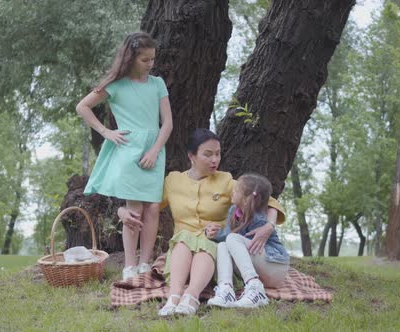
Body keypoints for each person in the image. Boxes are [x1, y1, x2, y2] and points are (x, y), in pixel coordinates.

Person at [117, 129, 286, 316]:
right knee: (183, 239)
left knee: (205, 245)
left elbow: (267, 200)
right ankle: (174, 297)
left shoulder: (226, 181)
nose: (215, 159)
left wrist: (268, 226)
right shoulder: (173, 180)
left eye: (218, 153)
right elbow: (149, 205)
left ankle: (191, 296)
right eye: (208, 154)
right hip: (181, 255)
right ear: (192, 156)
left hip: (213, 253)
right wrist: (121, 210)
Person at [76, 32, 173, 280]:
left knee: (152, 208)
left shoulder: (157, 83)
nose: (150, 64)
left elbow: (168, 123)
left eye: (152, 59)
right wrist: (106, 131)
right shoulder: (115, 86)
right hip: (129, 149)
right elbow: (82, 107)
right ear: (130, 58)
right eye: (145, 60)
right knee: (134, 210)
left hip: (154, 149)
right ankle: (129, 266)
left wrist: (154, 150)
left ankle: (144, 263)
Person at [207, 173, 289, 309]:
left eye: (237, 189)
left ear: (246, 199)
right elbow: (228, 238)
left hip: (275, 266)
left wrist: (230, 236)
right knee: (222, 244)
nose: (233, 191)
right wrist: (215, 234)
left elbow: (239, 242)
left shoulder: (260, 218)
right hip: (259, 268)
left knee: (232, 238)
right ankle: (226, 290)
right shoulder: (235, 211)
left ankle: (255, 288)